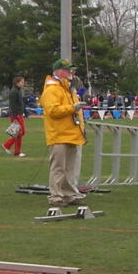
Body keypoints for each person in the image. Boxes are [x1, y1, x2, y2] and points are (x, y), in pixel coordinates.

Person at [39, 58, 87, 208]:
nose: (71, 72)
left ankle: (68, 195)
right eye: (68, 70)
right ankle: (56, 196)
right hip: (59, 134)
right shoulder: (52, 89)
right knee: (59, 168)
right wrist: (72, 108)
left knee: (69, 169)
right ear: (58, 71)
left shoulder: (67, 89)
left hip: (72, 134)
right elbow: (53, 111)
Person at [2, 76, 27, 157]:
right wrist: (16, 116)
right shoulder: (14, 92)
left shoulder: (18, 90)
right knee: (20, 132)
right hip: (16, 115)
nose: (23, 83)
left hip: (18, 114)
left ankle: (8, 146)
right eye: (22, 82)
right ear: (17, 83)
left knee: (20, 132)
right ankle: (15, 150)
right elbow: (12, 105)